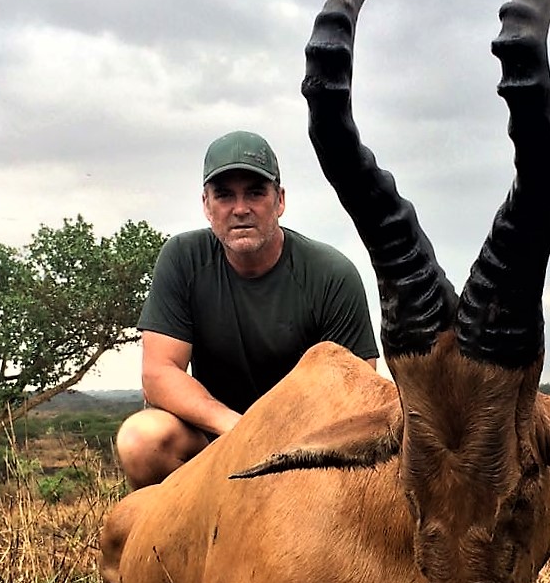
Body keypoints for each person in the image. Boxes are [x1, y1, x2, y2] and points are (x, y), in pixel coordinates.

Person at [114, 130, 379, 489]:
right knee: (141, 440)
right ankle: (173, 545)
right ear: (207, 205)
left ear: (279, 200)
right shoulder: (182, 258)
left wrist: (287, 443)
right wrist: (239, 429)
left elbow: (357, 392)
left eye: (255, 192)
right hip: (216, 436)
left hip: (305, 449)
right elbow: (160, 373)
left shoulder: (331, 273)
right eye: (224, 195)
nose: (240, 208)